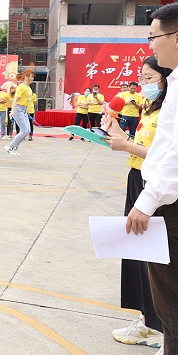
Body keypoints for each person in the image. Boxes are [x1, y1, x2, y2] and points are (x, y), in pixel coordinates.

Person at [102, 56, 167, 350]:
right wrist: (115, 131)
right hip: (137, 177)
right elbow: (142, 147)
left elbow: (166, 157)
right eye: (141, 78)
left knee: (154, 257)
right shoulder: (151, 108)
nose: (143, 84)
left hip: (154, 185)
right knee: (138, 253)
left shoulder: (169, 110)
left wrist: (127, 145)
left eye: (149, 78)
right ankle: (148, 320)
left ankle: (160, 326)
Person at [125, 3, 178, 355]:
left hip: (169, 202)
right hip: (161, 193)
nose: (150, 45)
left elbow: (174, 152)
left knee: (170, 302)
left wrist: (147, 202)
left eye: (153, 37)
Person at [4, 70, 35, 156]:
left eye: (33, 77)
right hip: (18, 110)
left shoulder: (28, 87)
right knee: (24, 130)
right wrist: (12, 111)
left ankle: (15, 147)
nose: (32, 78)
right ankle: (10, 146)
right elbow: (15, 100)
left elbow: (26, 100)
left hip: (24, 110)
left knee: (27, 130)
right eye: (31, 76)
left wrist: (27, 111)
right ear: (26, 77)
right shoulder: (21, 87)